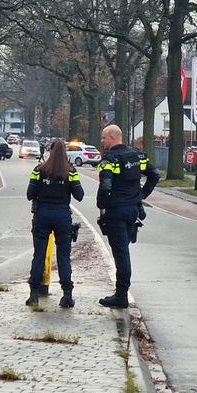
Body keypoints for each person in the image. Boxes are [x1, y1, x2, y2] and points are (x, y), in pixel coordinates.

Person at [95, 124, 159, 309]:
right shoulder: (137, 156)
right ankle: (121, 292)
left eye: (104, 138)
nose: (102, 141)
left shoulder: (110, 159)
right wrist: (140, 195)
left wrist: (102, 205)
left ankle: (121, 295)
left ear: (113, 137)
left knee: (121, 253)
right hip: (133, 210)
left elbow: (105, 186)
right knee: (123, 250)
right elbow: (154, 175)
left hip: (116, 211)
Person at [25, 140, 84, 307]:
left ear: (50, 151)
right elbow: (79, 195)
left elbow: (30, 194)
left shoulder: (39, 170)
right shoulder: (70, 171)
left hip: (42, 215)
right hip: (62, 216)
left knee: (39, 255)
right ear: (65, 152)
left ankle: (34, 295)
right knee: (64, 256)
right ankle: (67, 296)